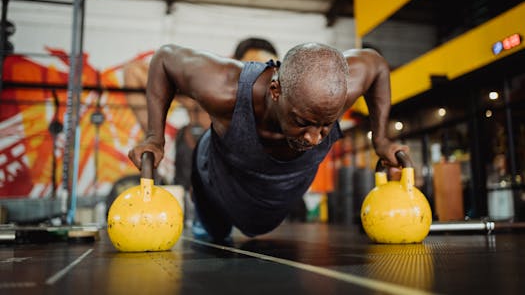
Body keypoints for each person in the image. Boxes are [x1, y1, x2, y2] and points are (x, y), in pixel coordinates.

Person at [128, 42, 407, 242]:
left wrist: (381, 138)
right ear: (275, 90)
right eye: (302, 122)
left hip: (278, 193)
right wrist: (155, 137)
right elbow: (165, 59)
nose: (313, 138)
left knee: (260, 225)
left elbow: (377, 64)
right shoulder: (225, 88)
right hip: (222, 174)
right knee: (215, 233)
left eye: (326, 126)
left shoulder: (340, 90)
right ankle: (206, 213)